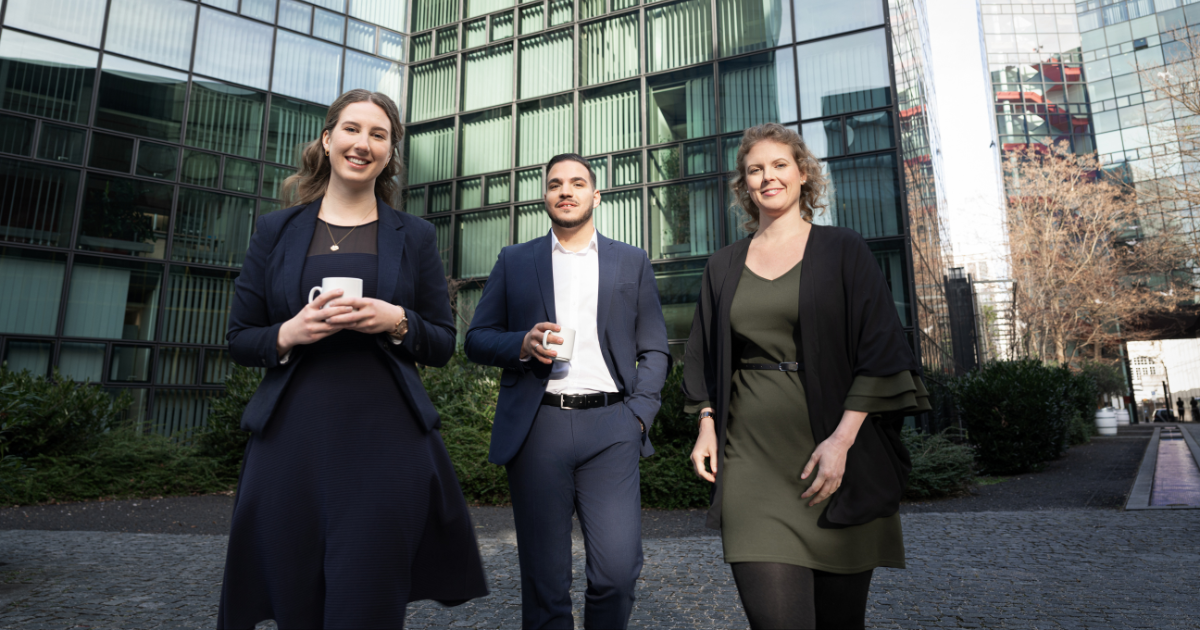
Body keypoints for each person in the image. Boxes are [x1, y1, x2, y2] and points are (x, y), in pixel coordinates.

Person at [218, 89, 487, 629]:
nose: (363, 143)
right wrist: (290, 332)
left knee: (368, 597)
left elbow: (441, 343)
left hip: (386, 443)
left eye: (378, 135)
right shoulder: (275, 230)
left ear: (390, 153)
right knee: (295, 598)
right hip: (292, 441)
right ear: (327, 139)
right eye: (352, 129)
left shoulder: (415, 235)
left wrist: (397, 320)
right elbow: (240, 338)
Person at [682, 123, 930, 630]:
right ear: (745, 185)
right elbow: (701, 355)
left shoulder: (843, 249)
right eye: (755, 170)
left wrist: (841, 442)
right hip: (750, 460)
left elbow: (881, 350)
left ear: (802, 174)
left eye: (779, 165)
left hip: (834, 457)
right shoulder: (723, 265)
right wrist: (706, 422)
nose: (768, 177)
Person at [464, 153, 670, 629]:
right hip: (539, 426)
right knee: (545, 581)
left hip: (613, 426)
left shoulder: (631, 260)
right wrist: (521, 343)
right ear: (545, 197)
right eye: (555, 183)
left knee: (617, 573)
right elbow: (475, 339)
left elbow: (655, 348)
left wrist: (639, 415)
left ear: (596, 196)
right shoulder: (515, 260)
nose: (566, 190)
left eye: (577, 183)